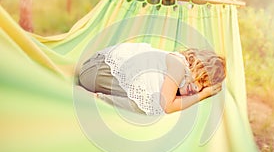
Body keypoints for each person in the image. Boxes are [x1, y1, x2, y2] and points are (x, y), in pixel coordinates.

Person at [78, 43, 226, 115]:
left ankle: (95, 97)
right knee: (150, 106)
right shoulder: (179, 65)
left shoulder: (177, 76)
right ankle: (93, 98)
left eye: (203, 87)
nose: (197, 89)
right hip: (96, 70)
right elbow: (167, 106)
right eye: (200, 81)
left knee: (151, 104)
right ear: (195, 63)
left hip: (96, 73)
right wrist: (204, 95)